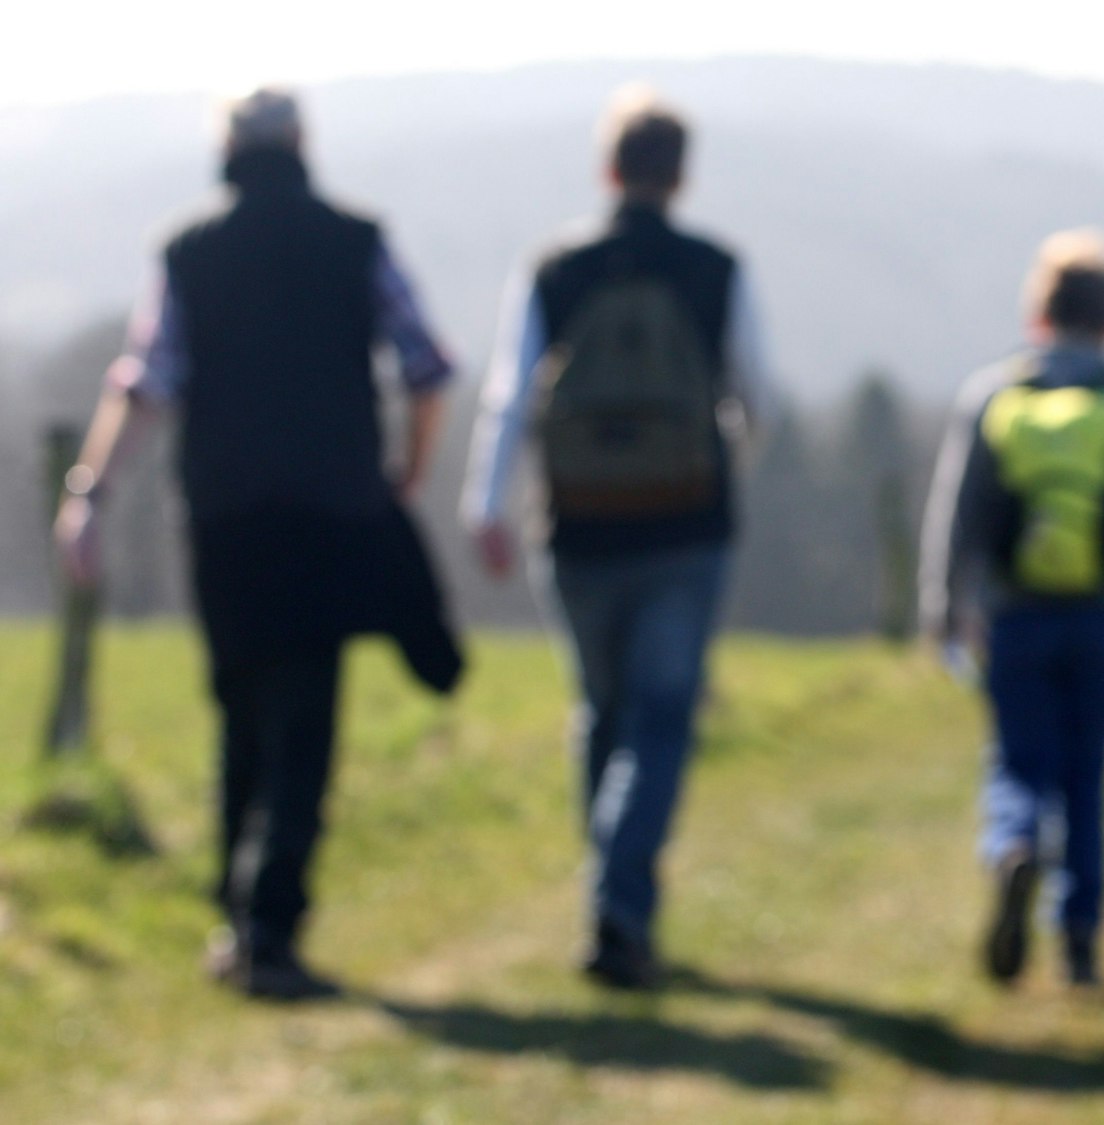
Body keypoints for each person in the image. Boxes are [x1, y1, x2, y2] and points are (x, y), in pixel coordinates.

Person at [53, 88, 464, 1000]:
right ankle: (269, 927)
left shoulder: (188, 251)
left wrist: (89, 493)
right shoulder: (356, 239)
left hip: (225, 517)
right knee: (304, 719)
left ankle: (239, 920)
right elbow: (427, 366)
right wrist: (406, 466)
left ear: (226, 149)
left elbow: (147, 381)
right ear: (303, 145)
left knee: (240, 705)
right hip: (330, 512)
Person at [462, 87, 775, 990]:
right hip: (687, 521)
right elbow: (759, 394)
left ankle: (611, 891)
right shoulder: (716, 267)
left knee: (602, 710)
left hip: (578, 524)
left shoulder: (556, 267)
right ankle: (622, 902)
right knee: (664, 714)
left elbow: (510, 393)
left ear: (609, 169)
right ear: (682, 174)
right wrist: (726, 465)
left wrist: (487, 504)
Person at [919, 229, 1104, 988]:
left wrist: (941, 609)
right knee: (1086, 778)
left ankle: (1013, 844)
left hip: (1011, 616)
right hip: (1097, 619)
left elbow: (954, 514)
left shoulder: (993, 397)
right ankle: (1080, 938)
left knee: (1018, 759)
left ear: (1039, 316)